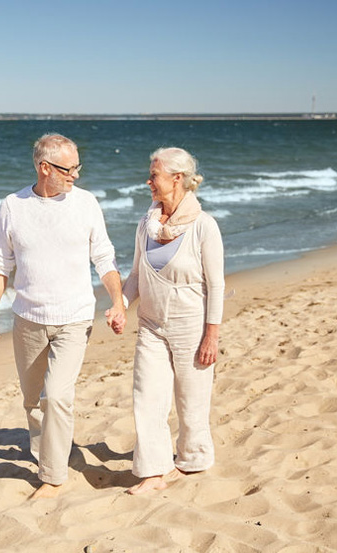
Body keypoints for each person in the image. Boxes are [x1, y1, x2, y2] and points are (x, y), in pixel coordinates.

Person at [0, 133, 126, 499]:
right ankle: (47, 458)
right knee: (33, 403)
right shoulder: (13, 206)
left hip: (75, 318)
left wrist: (118, 300)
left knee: (57, 396)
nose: (76, 175)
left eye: (79, 166)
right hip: (28, 319)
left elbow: (104, 258)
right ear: (45, 168)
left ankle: (53, 477)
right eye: (69, 168)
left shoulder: (86, 204)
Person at [122, 147, 224, 495]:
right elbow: (136, 274)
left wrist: (212, 335)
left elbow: (217, 285)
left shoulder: (203, 227)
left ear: (177, 178)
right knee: (147, 396)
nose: (148, 181)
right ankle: (153, 471)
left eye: (154, 175)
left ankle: (191, 462)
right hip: (150, 325)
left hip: (191, 326)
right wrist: (120, 305)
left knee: (191, 401)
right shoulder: (146, 223)